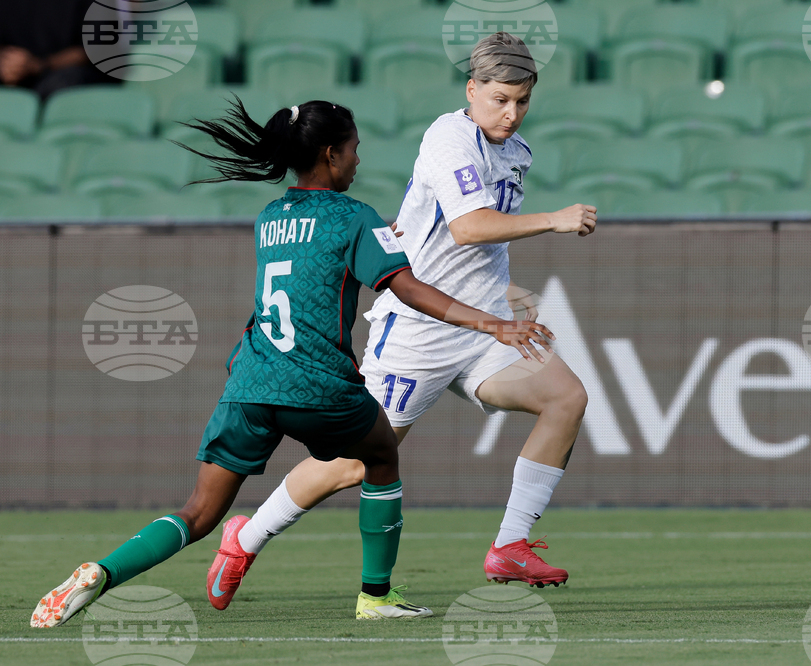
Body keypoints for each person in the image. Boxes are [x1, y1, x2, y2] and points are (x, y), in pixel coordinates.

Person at [29, 97, 555, 628]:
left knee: (198, 512)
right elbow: (411, 289)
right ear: (330, 154)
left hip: (251, 381)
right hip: (318, 386)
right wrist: (493, 324)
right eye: (353, 151)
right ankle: (376, 596)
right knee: (381, 459)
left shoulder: (270, 217)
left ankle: (103, 570)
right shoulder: (354, 217)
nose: (357, 161)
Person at [206, 31, 597, 611]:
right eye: (499, 99)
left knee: (566, 398)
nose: (511, 113)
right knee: (354, 465)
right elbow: (469, 226)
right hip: (418, 331)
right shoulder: (449, 138)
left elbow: (454, 242)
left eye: (522, 100)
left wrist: (503, 289)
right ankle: (246, 536)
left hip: (483, 327)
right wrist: (555, 220)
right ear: (471, 90)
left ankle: (510, 545)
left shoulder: (514, 152)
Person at [1, 0, 117, 99]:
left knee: (59, 85)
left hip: (67, 74)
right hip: (14, 71)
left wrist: (37, 65)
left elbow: (93, 51)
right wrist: (9, 64)